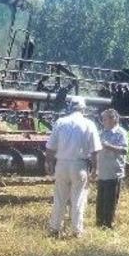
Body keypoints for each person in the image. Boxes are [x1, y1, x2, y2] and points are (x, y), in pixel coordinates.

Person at [45, 96, 102, 237]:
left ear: (70, 107)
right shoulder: (89, 124)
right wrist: (95, 169)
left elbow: (50, 147)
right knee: (78, 199)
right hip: (79, 165)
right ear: (83, 109)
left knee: (59, 198)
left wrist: (49, 163)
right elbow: (95, 150)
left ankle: (55, 228)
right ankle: (76, 230)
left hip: (61, 164)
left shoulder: (60, 122)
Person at [95, 109, 129, 228]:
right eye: (103, 119)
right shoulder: (102, 133)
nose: (103, 122)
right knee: (100, 200)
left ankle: (108, 225)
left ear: (113, 119)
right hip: (102, 171)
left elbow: (124, 150)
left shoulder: (121, 133)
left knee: (110, 201)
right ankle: (99, 224)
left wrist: (108, 146)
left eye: (105, 119)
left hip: (114, 172)